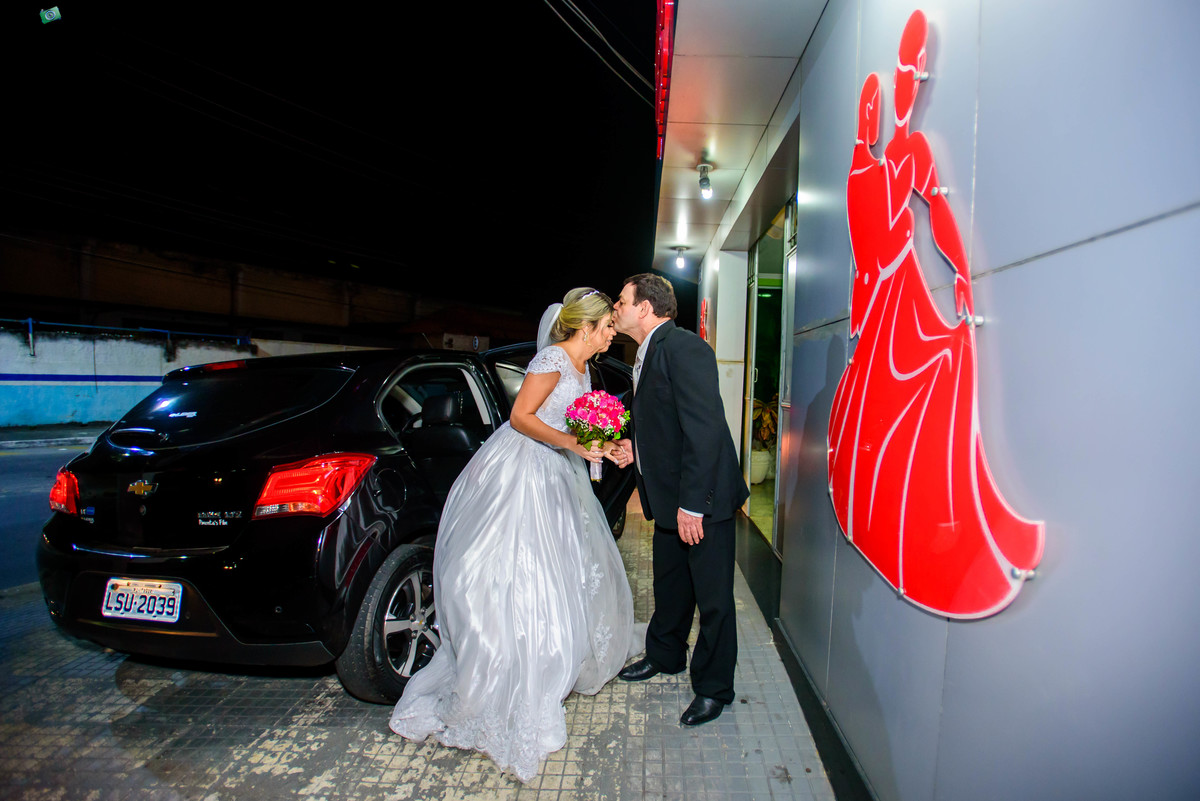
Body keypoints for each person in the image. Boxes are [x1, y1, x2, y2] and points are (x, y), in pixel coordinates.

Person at [389, 287, 644, 783]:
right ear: (586, 326)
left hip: (559, 471)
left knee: (559, 569)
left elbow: (576, 423)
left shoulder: (585, 368)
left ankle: (551, 652)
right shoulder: (552, 358)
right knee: (514, 569)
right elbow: (521, 417)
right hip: (522, 469)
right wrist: (575, 443)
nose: (613, 335)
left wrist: (605, 445)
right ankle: (503, 663)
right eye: (608, 327)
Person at [610, 273, 748, 727]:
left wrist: (693, 505)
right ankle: (665, 654)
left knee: (713, 599)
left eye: (622, 301)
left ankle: (713, 688)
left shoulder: (685, 347)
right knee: (670, 586)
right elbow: (663, 421)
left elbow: (704, 430)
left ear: (645, 308)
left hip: (701, 499)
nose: (616, 308)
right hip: (670, 498)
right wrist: (636, 447)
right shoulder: (647, 350)